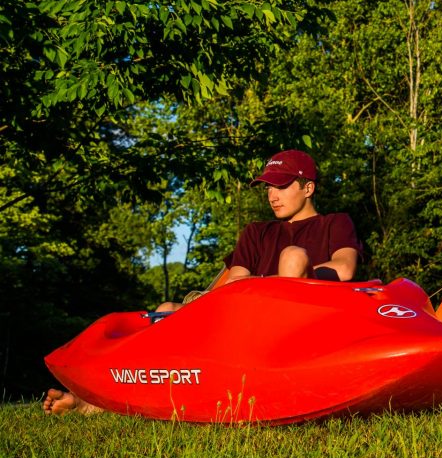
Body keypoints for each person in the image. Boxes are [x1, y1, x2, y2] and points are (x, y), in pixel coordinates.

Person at [43, 149, 363, 415]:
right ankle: (91, 401)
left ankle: (286, 375)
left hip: (302, 324)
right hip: (245, 323)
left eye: (281, 186)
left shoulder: (335, 223)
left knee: (293, 255)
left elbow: (345, 268)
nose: (272, 195)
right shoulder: (257, 232)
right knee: (167, 308)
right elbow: (234, 281)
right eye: (267, 187)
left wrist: (277, 281)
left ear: (308, 188)